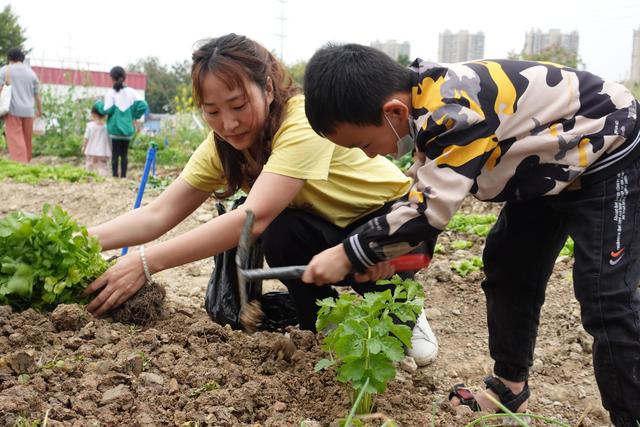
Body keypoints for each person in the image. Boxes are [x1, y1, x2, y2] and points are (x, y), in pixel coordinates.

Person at [301, 43, 640, 426]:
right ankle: (509, 387)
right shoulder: (421, 103)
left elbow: (424, 213)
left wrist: (349, 252)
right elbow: (424, 196)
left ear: (392, 112)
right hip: (550, 163)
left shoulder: (452, 109)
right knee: (509, 264)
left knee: (605, 296)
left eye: (362, 145)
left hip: (608, 146)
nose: (369, 156)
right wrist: (392, 256)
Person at [83, 34, 438, 366]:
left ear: (267, 87)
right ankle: (320, 328)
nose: (229, 123)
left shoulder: (303, 121)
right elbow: (158, 213)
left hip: (392, 218)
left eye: (238, 105)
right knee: (283, 232)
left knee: (271, 225)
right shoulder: (222, 147)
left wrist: (146, 262)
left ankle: (403, 306)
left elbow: (255, 215)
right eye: (212, 111)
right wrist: (81, 240)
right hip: (328, 229)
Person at [94, 66, 147, 178]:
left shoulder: (111, 93)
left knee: (115, 155)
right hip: (127, 130)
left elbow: (106, 110)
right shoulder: (131, 92)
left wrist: (98, 104)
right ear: (124, 78)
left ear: (112, 78)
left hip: (115, 130)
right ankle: (123, 176)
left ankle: (114, 176)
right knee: (124, 155)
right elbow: (143, 105)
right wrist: (134, 115)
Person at [0, 48, 42, 163]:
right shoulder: (31, 73)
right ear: (22, 59)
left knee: (15, 139)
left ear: (9, 59)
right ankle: (26, 163)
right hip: (29, 111)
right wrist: (39, 110)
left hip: (13, 110)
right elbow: (37, 94)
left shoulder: (5, 70)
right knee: (26, 139)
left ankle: (20, 165)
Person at [82, 105, 111, 177]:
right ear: (105, 116)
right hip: (103, 151)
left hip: (91, 149)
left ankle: (88, 176)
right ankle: (103, 177)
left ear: (93, 114)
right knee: (102, 165)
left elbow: (86, 137)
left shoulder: (90, 126)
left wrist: (83, 146)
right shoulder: (107, 127)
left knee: (89, 164)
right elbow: (109, 139)